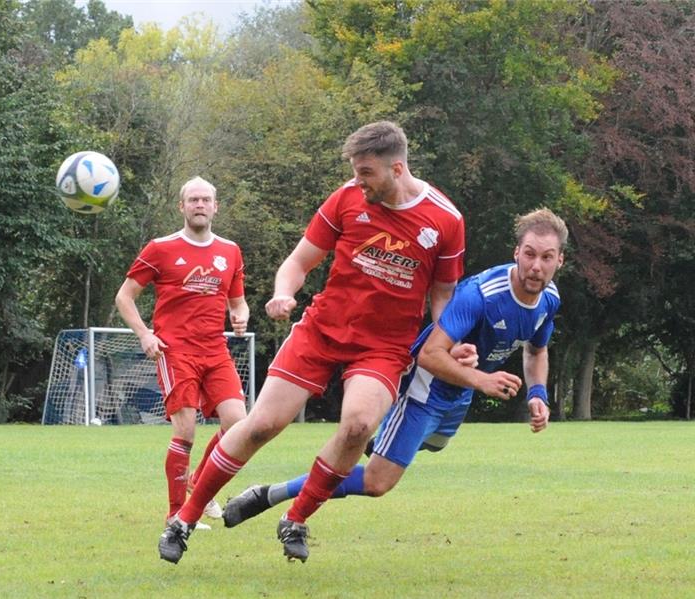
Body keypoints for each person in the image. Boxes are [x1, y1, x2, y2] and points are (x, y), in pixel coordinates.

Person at [158, 121, 466, 564]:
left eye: (366, 173)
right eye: (356, 173)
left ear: (397, 168)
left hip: (383, 346)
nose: (358, 182)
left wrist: (449, 343)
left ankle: (296, 517)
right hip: (323, 329)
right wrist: (284, 291)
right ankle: (183, 519)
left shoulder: (445, 220)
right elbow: (299, 261)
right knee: (263, 424)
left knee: (359, 427)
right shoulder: (346, 199)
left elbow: (443, 296)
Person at [222, 208, 566, 528]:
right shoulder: (481, 294)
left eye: (547, 257)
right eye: (530, 254)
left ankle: (380, 438)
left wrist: (538, 394)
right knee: (377, 481)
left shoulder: (549, 299)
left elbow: (537, 350)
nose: (537, 265)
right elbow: (431, 354)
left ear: (559, 261)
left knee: (434, 444)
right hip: (425, 386)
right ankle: (271, 495)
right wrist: (481, 380)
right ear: (516, 252)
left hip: (458, 394)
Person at [115, 176, 249, 529]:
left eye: (206, 199)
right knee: (185, 432)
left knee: (238, 423)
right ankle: (176, 514)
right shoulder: (160, 248)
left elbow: (238, 301)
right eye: (194, 200)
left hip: (215, 350)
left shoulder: (230, 251)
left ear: (216, 206)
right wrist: (145, 334)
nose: (200, 205)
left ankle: (198, 486)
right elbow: (124, 296)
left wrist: (240, 315)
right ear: (182, 207)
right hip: (176, 351)